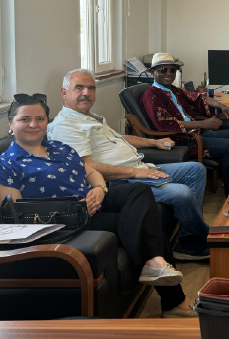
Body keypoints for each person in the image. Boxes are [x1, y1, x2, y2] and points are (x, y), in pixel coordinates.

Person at [0, 94, 197, 318]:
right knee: (145, 224)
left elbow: (91, 172)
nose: (33, 125)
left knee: (139, 190)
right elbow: (18, 213)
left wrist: (100, 190)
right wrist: (70, 207)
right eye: (25, 119)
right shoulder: (6, 164)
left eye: (40, 119)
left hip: (93, 201)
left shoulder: (60, 148)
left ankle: (156, 264)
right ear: (11, 124)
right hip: (64, 221)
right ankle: (173, 299)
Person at [47, 69, 210, 261]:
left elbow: (119, 138)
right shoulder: (66, 126)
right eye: (79, 88)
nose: (86, 93)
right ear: (64, 92)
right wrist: (136, 173)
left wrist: (153, 142)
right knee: (182, 193)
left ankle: (188, 234)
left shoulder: (90, 117)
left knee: (196, 170)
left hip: (140, 168)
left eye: (91, 88)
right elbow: (86, 168)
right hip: (121, 181)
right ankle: (193, 244)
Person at [140, 53, 229, 197]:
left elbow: (198, 97)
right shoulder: (152, 95)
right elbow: (164, 124)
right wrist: (203, 123)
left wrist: (222, 106)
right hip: (181, 139)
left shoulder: (174, 90)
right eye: (163, 70)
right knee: (228, 146)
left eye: (172, 70)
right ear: (152, 72)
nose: (169, 73)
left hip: (197, 133)